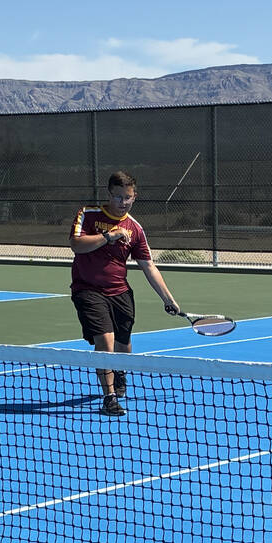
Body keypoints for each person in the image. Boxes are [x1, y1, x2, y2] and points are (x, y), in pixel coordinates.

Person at [69, 170, 180, 416]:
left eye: (127, 197)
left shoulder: (136, 228)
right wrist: (109, 236)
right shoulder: (88, 214)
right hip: (88, 290)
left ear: (134, 197)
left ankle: (120, 370)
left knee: (123, 343)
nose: (122, 202)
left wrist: (168, 299)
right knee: (105, 341)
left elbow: (148, 265)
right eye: (117, 197)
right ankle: (109, 398)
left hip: (120, 292)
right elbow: (76, 245)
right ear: (109, 195)